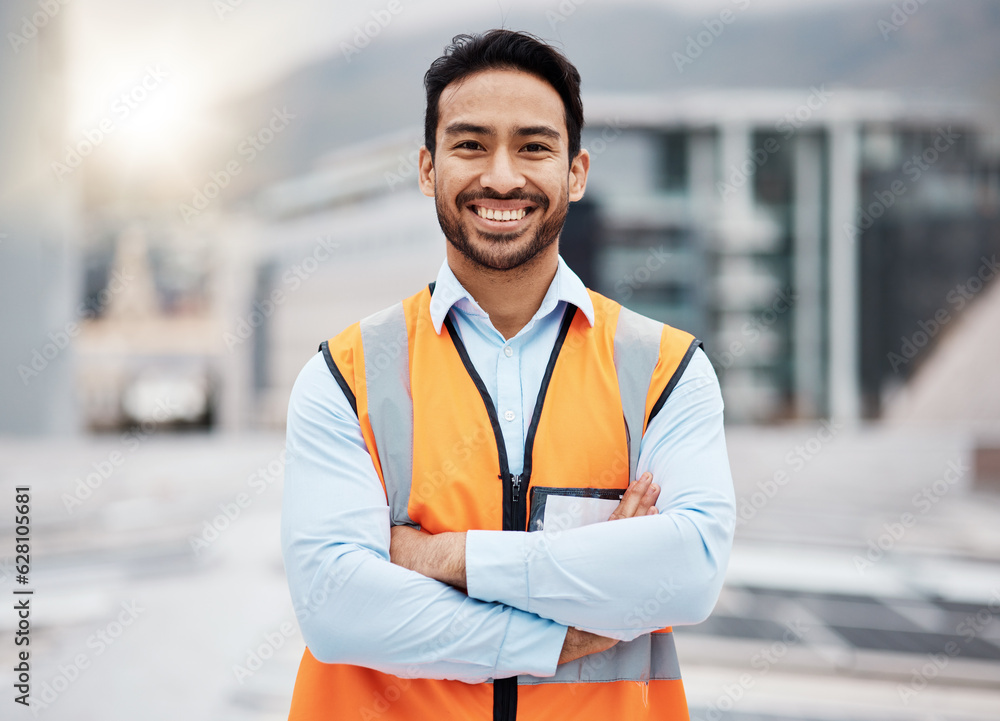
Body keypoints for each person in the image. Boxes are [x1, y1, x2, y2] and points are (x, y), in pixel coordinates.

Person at [281, 29, 735, 721]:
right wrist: (559, 633)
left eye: (533, 146)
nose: (500, 176)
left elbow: (690, 571)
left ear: (575, 172)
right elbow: (335, 606)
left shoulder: (667, 371)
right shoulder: (343, 376)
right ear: (428, 169)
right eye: (470, 145)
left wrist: (445, 556)